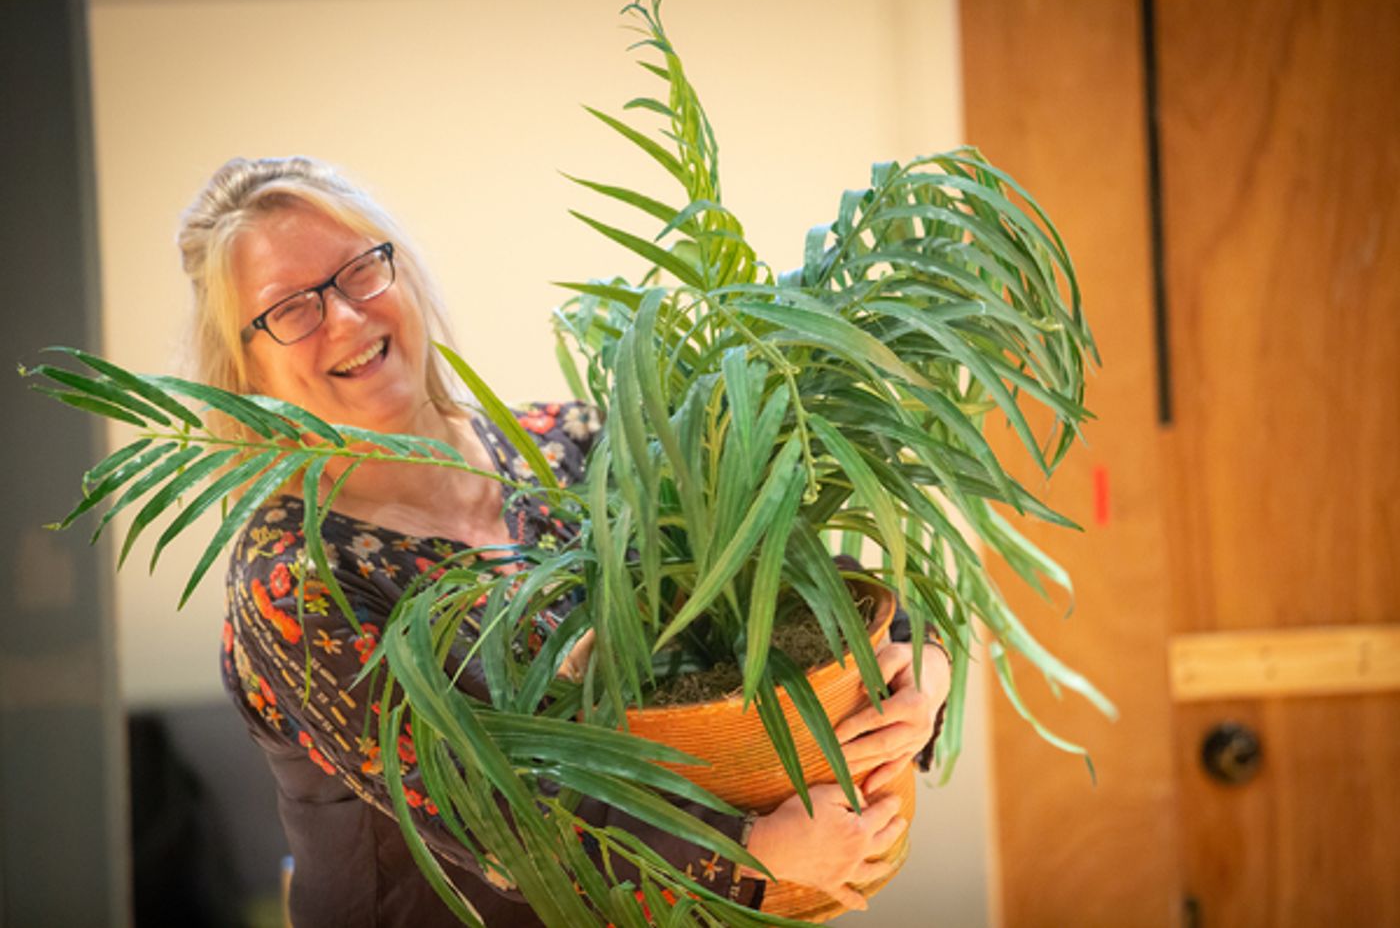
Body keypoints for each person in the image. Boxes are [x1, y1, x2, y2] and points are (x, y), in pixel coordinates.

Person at [177, 155, 949, 927]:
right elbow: (491, 812)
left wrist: (918, 666)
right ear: (245, 371)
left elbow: (780, 575)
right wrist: (749, 856)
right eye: (291, 309)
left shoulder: (573, 444)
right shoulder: (294, 579)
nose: (345, 318)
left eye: (359, 271)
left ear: (402, 274)